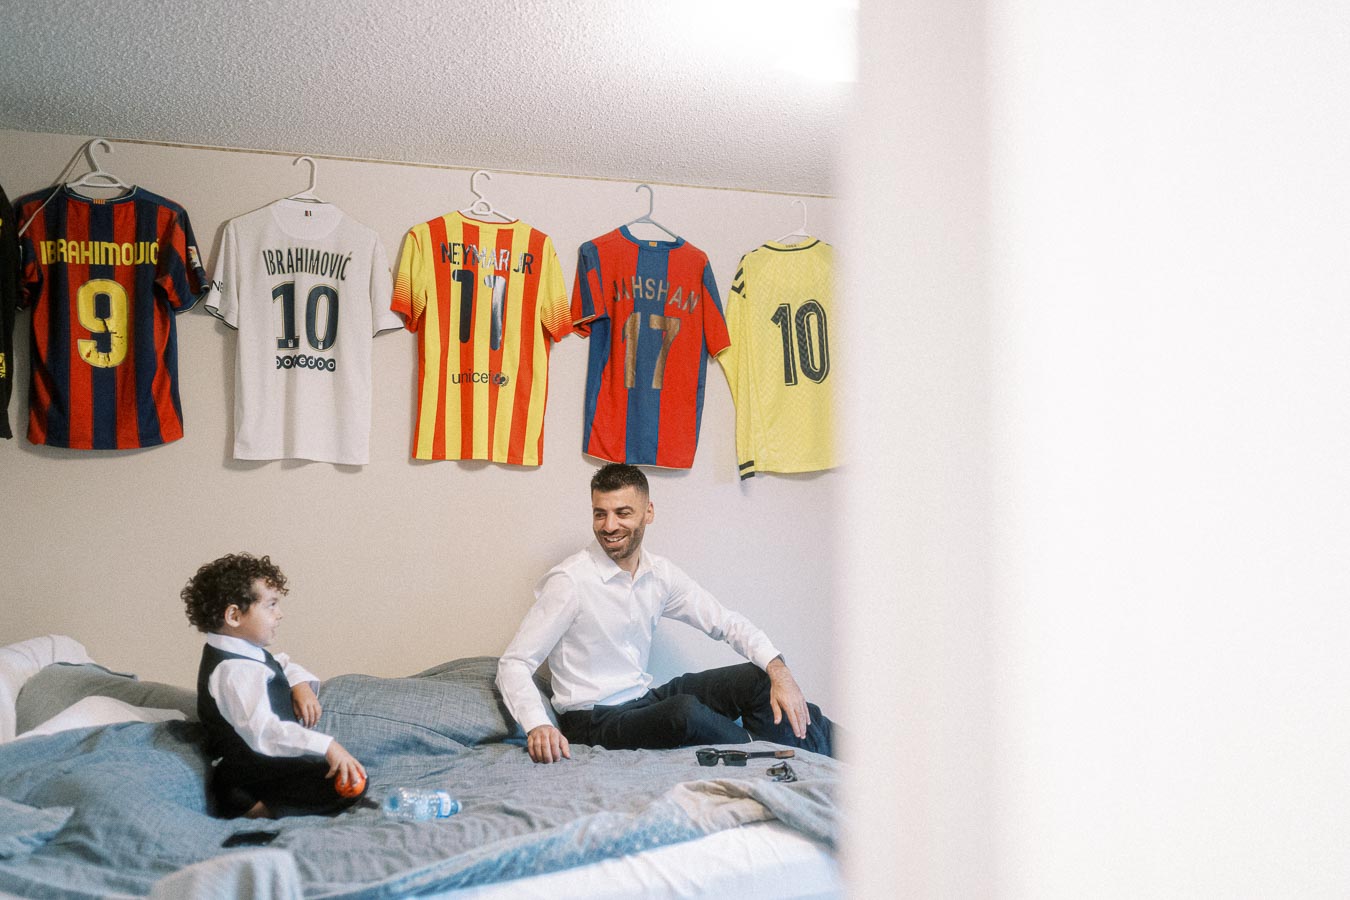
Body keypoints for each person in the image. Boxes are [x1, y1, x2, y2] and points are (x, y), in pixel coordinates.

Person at [496, 463, 836, 764]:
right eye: (600, 513)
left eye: (622, 512)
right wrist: (537, 723)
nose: (609, 525)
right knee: (685, 714)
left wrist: (780, 671)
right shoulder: (570, 582)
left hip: (640, 700)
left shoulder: (659, 573)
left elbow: (725, 621)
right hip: (592, 720)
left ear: (649, 512)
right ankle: (785, 755)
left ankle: (814, 751)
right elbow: (514, 663)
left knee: (757, 677)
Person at [182, 552, 367, 818]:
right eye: (270, 605)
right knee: (349, 785)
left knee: (347, 773)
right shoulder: (234, 671)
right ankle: (255, 809)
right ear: (234, 615)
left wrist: (299, 684)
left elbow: (278, 664)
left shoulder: (245, 653)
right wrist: (328, 746)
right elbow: (264, 733)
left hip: (268, 766)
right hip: (248, 777)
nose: (279, 614)